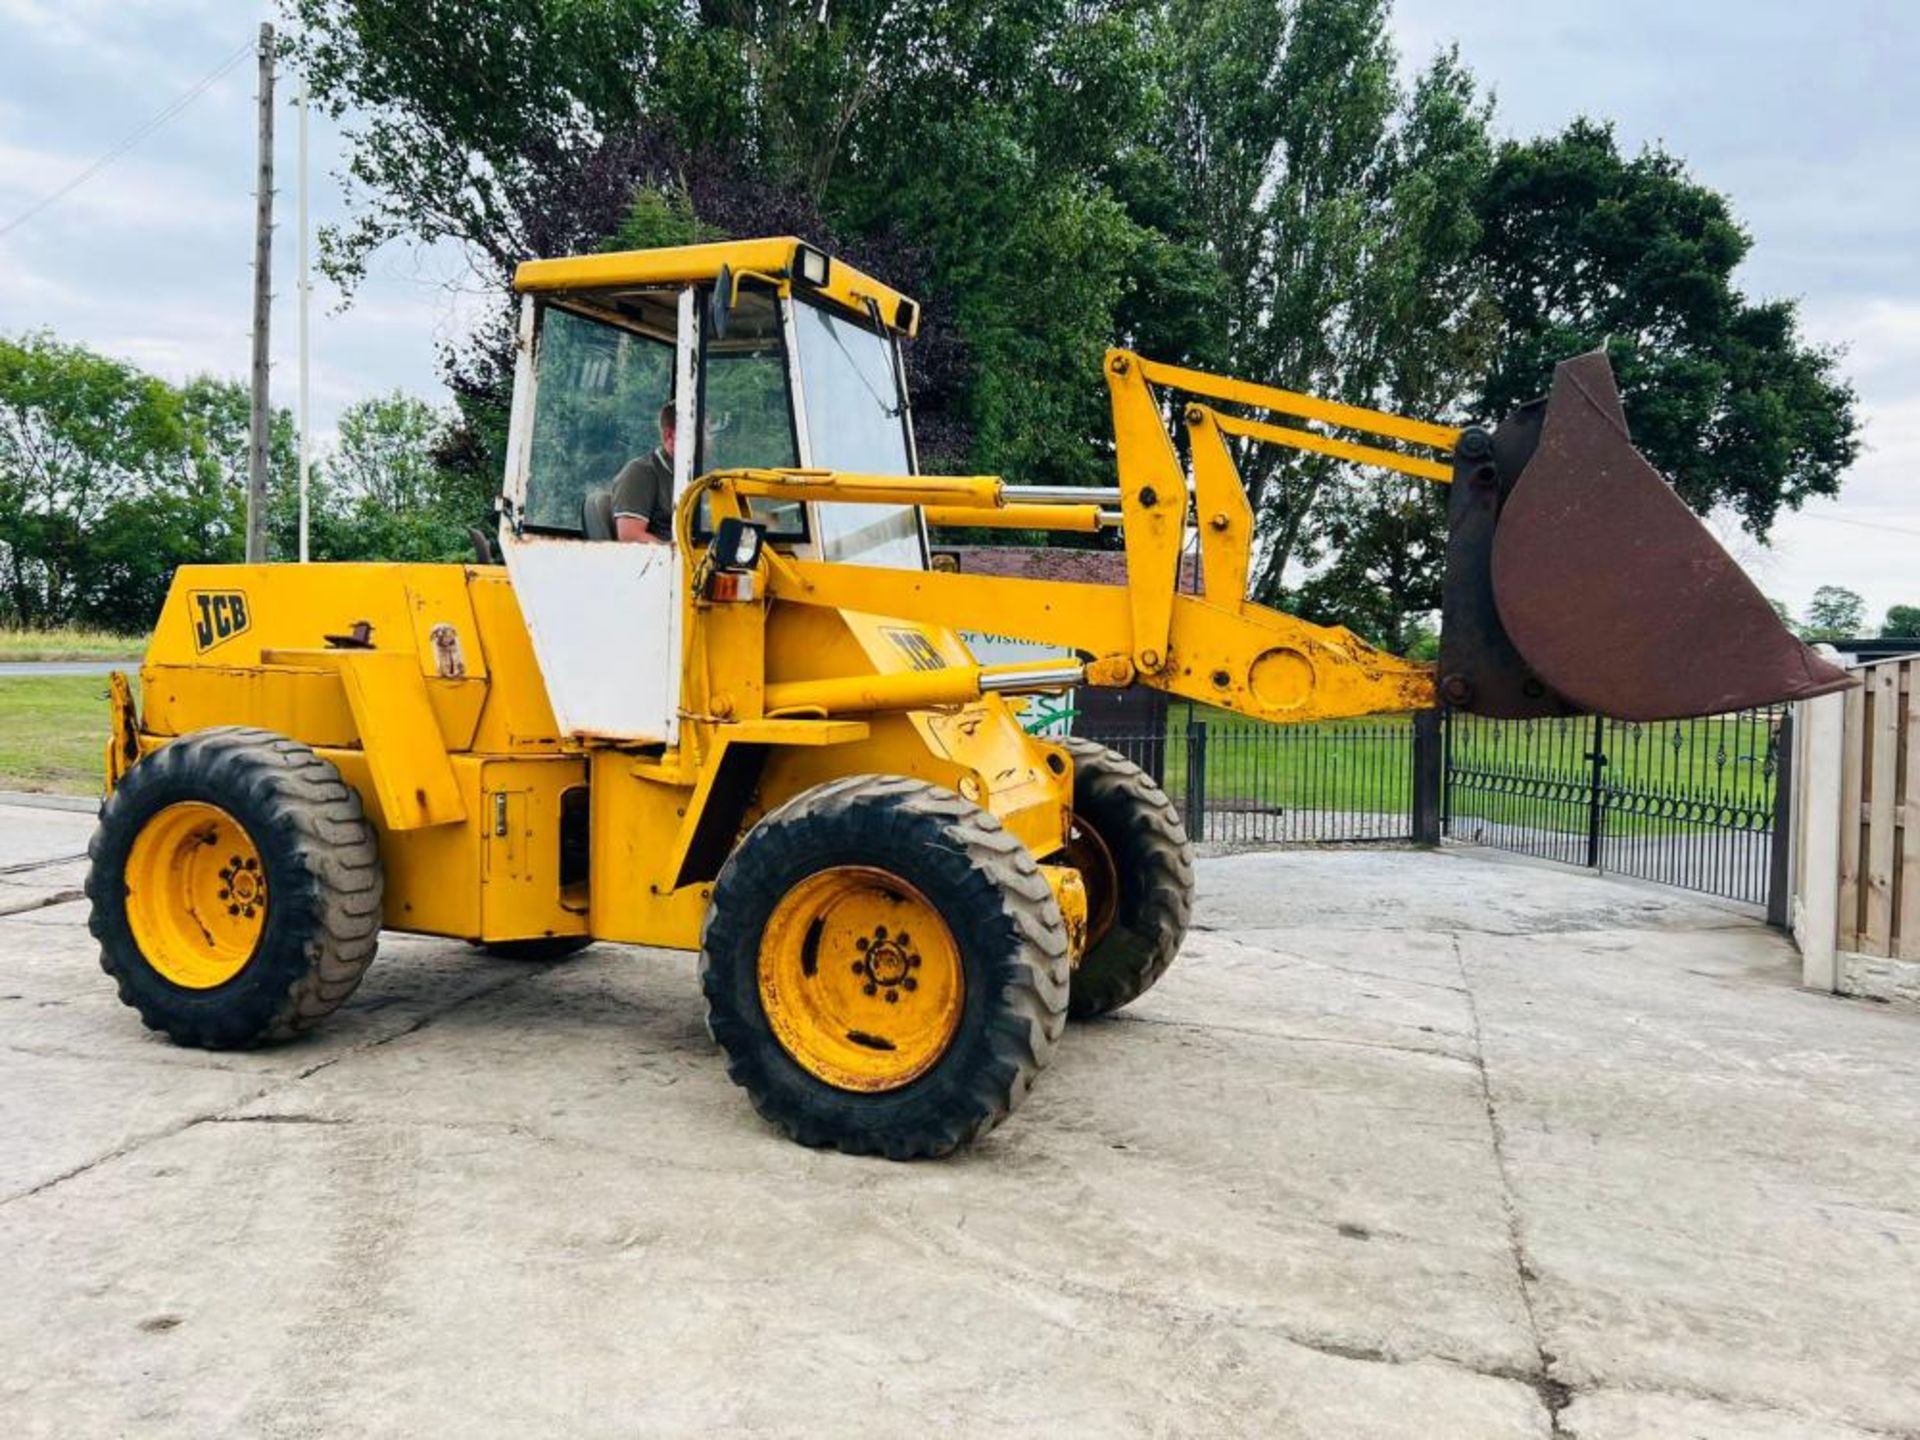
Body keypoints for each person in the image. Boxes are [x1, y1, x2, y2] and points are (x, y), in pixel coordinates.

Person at [609, 401, 677, 544]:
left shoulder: (691, 477)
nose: (709, 439)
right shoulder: (640, 472)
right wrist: (679, 558)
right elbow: (630, 535)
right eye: (704, 432)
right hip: (661, 564)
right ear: (670, 435)